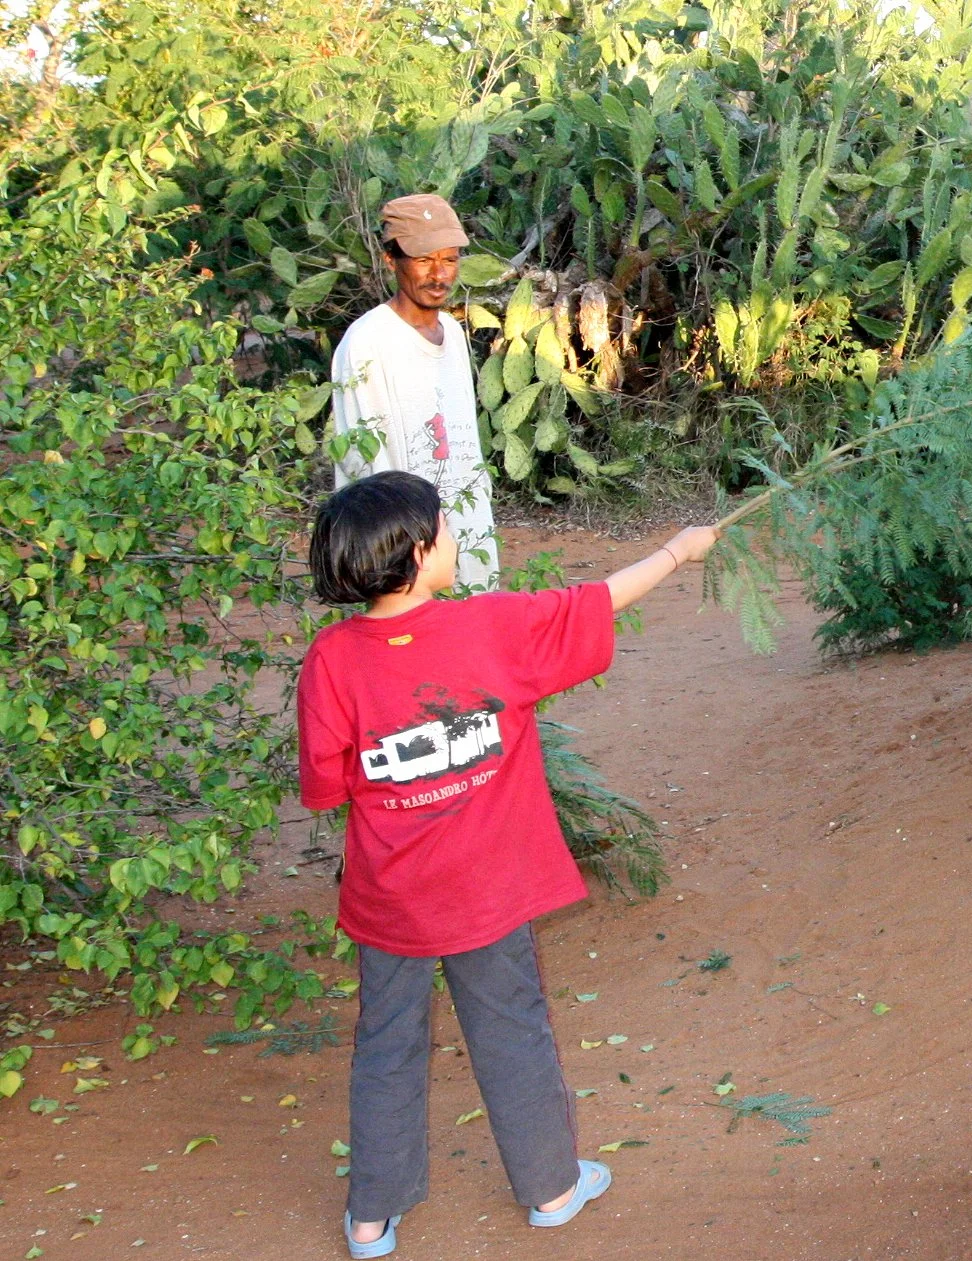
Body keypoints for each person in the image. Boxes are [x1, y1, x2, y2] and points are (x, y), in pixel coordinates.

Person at [297, 469, 719, 1257]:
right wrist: (676, 550)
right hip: (486, 891)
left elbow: (325, 787)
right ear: (420, 553)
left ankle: (369, 1219)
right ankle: (553, 1190)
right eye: (446, 530)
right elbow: (597, 600)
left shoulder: (330, 659)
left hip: (390, 899)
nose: (454, 540)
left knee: (387, 1043)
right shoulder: (491, 626)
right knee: (512, 1031)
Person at [330, 193, 499, 591]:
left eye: (450, 259)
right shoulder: (367, 342)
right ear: (392, 260)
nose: (439, 275)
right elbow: (366, 465)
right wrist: (401, 555)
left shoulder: (454, 334)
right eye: (423, 260)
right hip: (406, 547)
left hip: (466, 531)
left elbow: (463, 444)